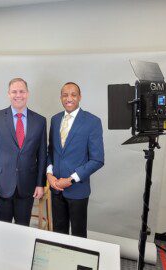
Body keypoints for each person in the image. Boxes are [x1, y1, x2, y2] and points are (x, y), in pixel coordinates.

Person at [0, 78, 47, 226]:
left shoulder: (40, 121)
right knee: (2, 229)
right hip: (0, 186)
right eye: (14, 91)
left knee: (23, 229)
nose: (18, 95)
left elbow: (42, 155)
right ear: (8, 94)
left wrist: (40, 183)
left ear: (28, 93)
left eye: (22, 91)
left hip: (27, 186)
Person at [47, 82, 104, 238]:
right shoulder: (55, 119)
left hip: (78, 190)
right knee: (59, 234)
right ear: (61, 98)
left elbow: (97, 159)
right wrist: (49, 174)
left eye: (73, 94)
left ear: (80, 97)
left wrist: (71, 179)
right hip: (56, 188)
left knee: (78, 236)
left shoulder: (92, 121)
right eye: (65, 95)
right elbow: (50, 151)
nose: (69, 98)